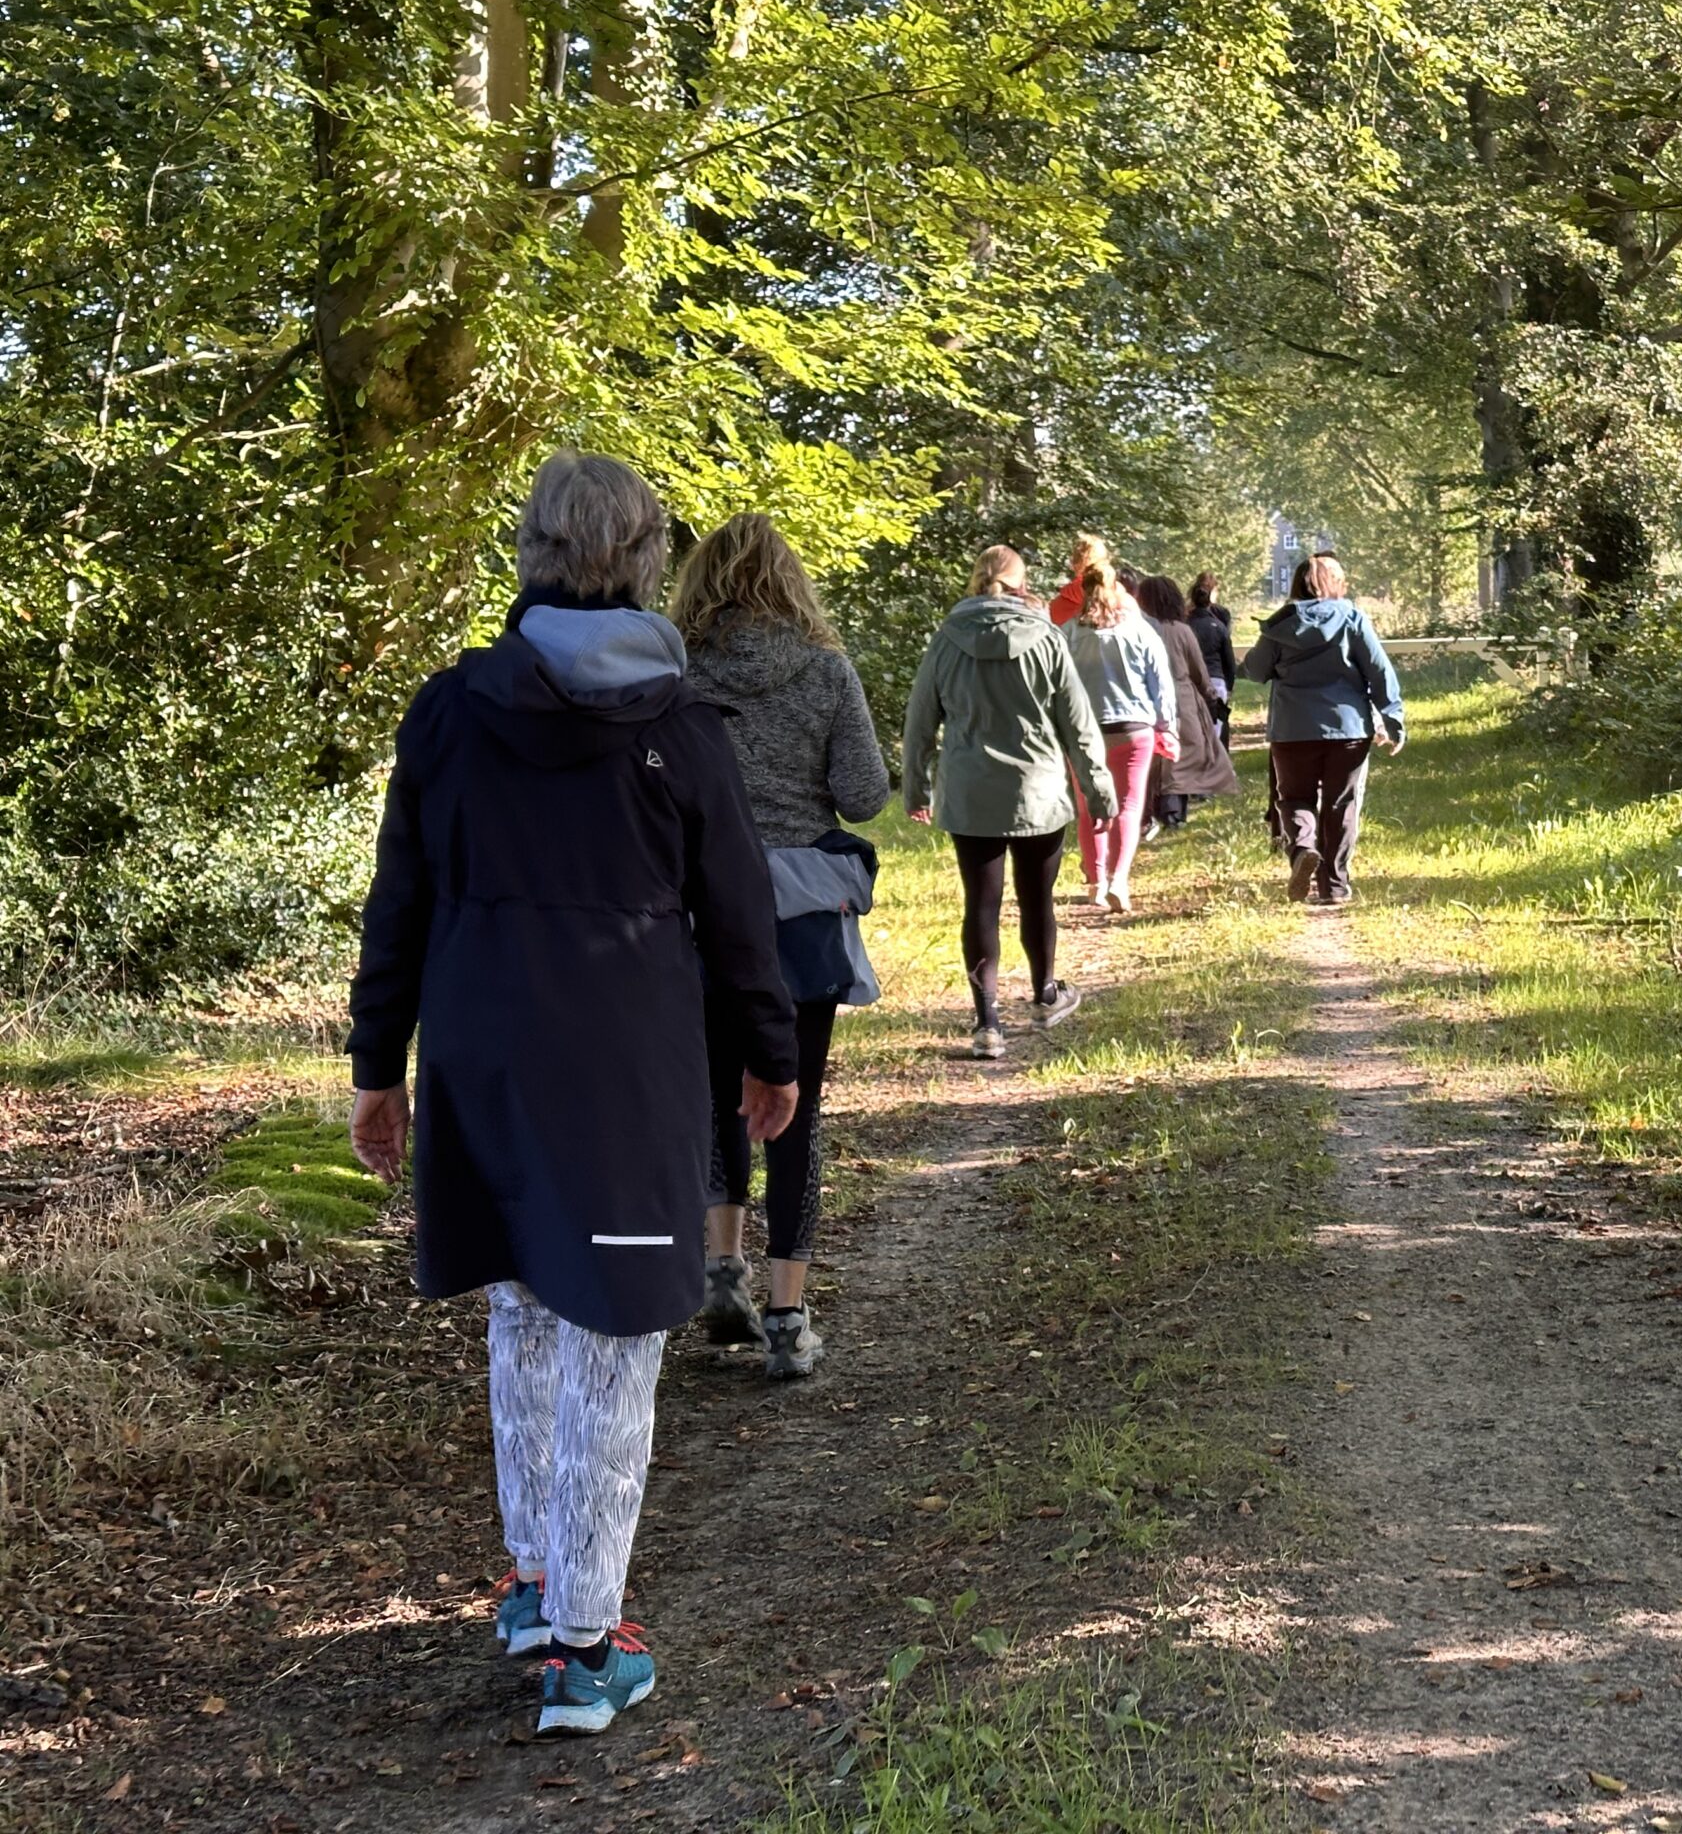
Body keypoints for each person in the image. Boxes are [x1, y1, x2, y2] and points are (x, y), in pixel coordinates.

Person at [347, 450, 799, 1740]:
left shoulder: (450, 709)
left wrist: (379, 1065)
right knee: (613, 1332)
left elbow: (399, 901)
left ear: (531, 552)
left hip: (482, 1051)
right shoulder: (680, 728)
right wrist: (771, 1051)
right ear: (648, 560)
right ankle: (585, 1648)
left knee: (526, 1303)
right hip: (620, 1064)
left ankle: (542, 1584)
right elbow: (739, 914)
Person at [671, 512, 888, 1381]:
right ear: (791, 581)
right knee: (795, 1107)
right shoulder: (825, 670)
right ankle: (789, 1316)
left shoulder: (677, 672)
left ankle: (721, 1276)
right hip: (798, 913)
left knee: (716, 1094)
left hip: (697, 906)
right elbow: (863, 794)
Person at [902, 544, 1114, 1057]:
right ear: (1023, 584)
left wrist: (916, 788)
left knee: (980, 903)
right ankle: (1045, 995)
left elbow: (919, 721)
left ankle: (987, 1023)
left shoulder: (947, 640)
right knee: (1037, 899)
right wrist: (1100, 793)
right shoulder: (1047, 638)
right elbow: (1079, 726)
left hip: (970, 793)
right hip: (1037, 793)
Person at [1239, 552, 1405, 906]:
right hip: (1348, 729)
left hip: (1292, 729)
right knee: (1340, 803)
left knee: (1294, 798)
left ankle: (1303, 849)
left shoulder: (1281, 625)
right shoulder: (1353, 619)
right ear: (1336, 585)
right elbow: (1379, 671)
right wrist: (1393, 720)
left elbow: (1255, 670)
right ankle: (1335, 885)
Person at [1058, 547, 1176, 913]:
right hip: (1133, 728)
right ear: (1116, 590)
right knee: (1128, 805)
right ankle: (1118, 880)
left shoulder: (1068, 633)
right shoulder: (1139, 630)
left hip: (1083, 731)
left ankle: (1096, 882)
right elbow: (1161, 683)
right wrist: (1167, 727)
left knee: (1088, 806)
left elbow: (1056, 683)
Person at [1137, 572, 1237, 831]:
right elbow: (1198, 671)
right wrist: (1211, 698)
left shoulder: (1137, 630)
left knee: (1152, 758)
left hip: (1144, 699)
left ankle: (1151, 811)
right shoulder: (1181, 631)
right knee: (1180, 754)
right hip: (1181, 698)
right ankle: (1173, 811)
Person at [1187, 571, 1237, 751]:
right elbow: (1228, 658)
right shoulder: (1220, 622)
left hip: (1190, 679)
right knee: (1216, 728)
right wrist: (1229, 684)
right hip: (1216, 678)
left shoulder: (1184, 622)